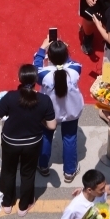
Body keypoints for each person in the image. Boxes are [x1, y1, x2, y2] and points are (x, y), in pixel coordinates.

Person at [0, 64, 57, 214]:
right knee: (28, 173)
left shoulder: (10, 97)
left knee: (8, 171)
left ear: (19, 79)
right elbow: (52, 125)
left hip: (10, 141)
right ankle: (24, 206)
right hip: (32, 143)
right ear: (36, 80)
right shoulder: (44, 100)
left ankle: (6, 203)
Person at [35, 39, 83, 181]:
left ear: (49, 57)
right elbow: (70, 61)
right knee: (70, 138)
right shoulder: (75, 69)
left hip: (49, 113)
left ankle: (43, 166)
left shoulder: (44, 74)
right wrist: (62, 50)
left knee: (46, 136)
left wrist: (42, 48)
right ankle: (69, 172)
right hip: (71, 111)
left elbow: (35, 67)